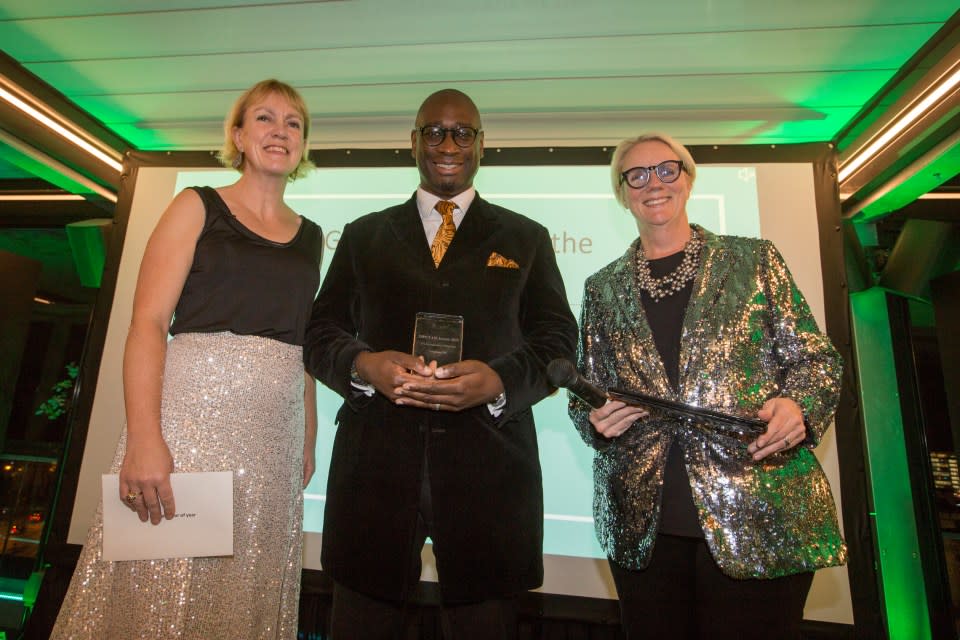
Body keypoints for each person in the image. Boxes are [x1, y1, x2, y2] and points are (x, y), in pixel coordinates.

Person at [51, 79, 322, 639]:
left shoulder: (313, 236)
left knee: (240, 591)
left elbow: (306, 347)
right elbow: (147, 324)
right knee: (158, 592)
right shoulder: (196, 204)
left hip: (274, 439)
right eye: (265, 119)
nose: (280, 131)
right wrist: (145, 438)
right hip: (190, 424)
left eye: (293, 123)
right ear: (239, 136)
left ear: (302, 144)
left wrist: (308, 437)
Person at [304, 88, 577, 639]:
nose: (447, 143)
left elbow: (557, 339)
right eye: (433, 131)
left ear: (481, 145)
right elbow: (319, 333)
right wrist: (364, 365)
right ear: (413, 142)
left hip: (490, 476)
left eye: (462, 132)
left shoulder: (526, 237)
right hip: (374, 470)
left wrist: (500, 379)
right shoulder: (362, 236)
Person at [569, 133, 847, 640]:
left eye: (666, 170)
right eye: (637, 175)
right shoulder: (600, 288)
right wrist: (595, 421)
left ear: (689, 178)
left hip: (755, 510)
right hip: (644, 524)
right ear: (622, 192)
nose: (653, 183)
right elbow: (583, 392)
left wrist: (798, 405)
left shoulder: (754, 260)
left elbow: (816, 360)